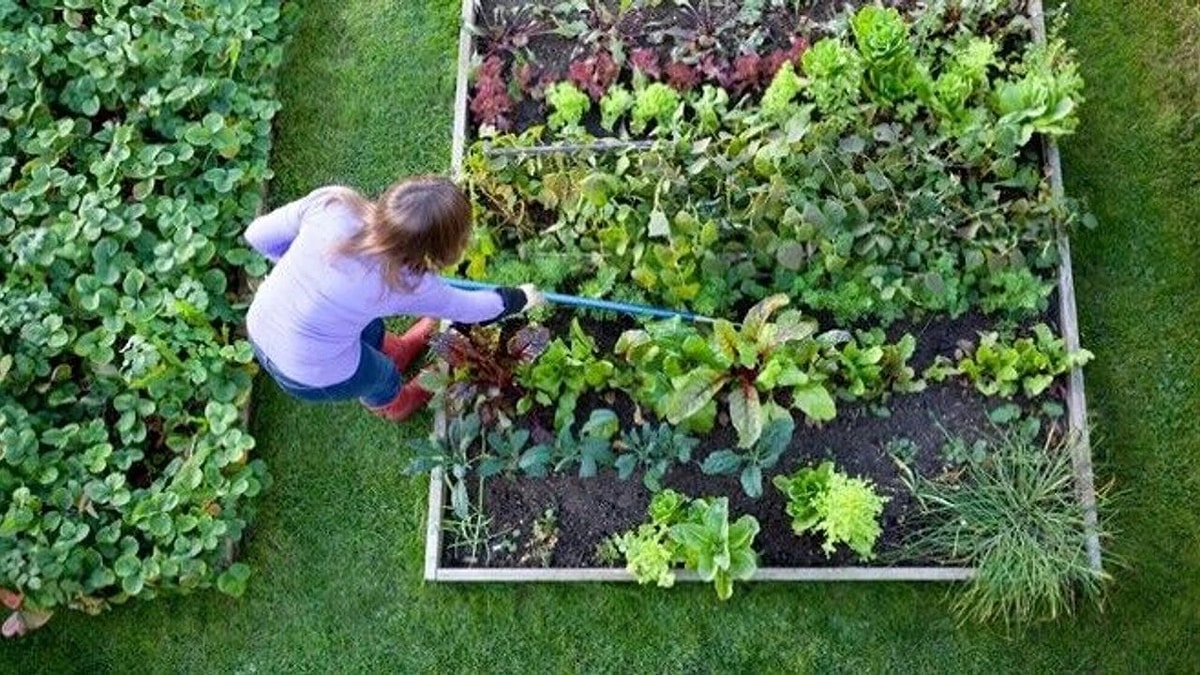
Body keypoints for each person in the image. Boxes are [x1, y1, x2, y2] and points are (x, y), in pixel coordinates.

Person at [244, 176, 543, 422]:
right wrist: (521, 298)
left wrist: (302, 273)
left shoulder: (333, 204)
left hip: (261, 321)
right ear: (440, 250)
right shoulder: (405, 284)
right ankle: (396, 405)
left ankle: (398, 350)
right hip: (306, 370)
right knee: (381, 376)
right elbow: (471, 309)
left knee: (367, 327)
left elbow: (257, 235)